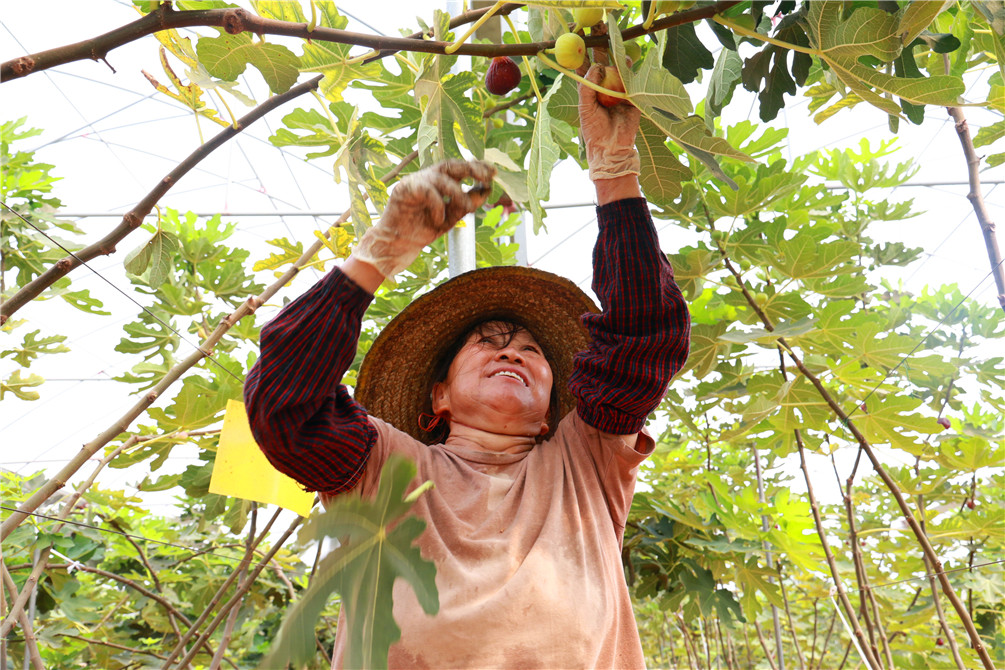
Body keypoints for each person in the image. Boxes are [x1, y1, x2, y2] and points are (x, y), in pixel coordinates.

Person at [244, 64, 690, 669]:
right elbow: (283, 406)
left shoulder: (586, 461)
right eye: (488, 342)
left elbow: (644, 339)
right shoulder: (380, 467)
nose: (512, 352)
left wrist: (614, 170)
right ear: (438, 399)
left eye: (531, 350)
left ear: (553, 408)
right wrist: (375, 256)